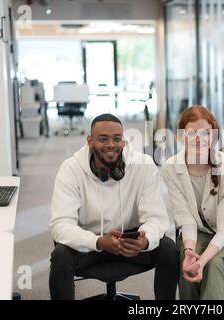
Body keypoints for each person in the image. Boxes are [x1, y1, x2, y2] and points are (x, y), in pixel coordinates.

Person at [49, 113, 178, 300]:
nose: (111, 144)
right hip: (90, 243)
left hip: (130, 242)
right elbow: (60, 225)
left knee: (168, 249)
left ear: (124, 141)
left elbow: (156, 218)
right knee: (61, 255)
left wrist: (145, 239)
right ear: (90, 141)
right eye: (103, 139)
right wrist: (99, 242)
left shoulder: (143, 166)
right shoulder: (71, 169)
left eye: (117, 138)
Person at [161, 106, 224, 300]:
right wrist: (190, 251)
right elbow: (186, 218)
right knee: (186, 261)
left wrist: (202, 261)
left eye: (205, 133)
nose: (198, 139)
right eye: (191, 133)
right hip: (199, 228)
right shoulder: (170, 169)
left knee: (213, 264)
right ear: (182, 136)